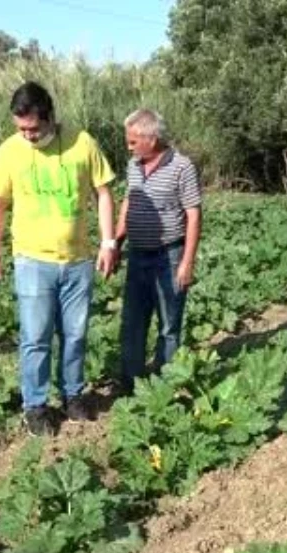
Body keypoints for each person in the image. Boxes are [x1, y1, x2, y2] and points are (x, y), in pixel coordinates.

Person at [0, 81, 118, 436]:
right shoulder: (9, 151)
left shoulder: (82, 142)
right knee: (36, 337)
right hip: (32, 261)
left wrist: (108, 243)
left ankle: (73, 395)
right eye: (21, 128)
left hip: (78, 261)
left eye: (34, 128)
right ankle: (36, 405)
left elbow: (103, 193)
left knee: (75, 334)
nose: (27, 135)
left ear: (50, 117)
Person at [115, 108, 203, 396]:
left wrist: (187, 262)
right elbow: (128, 201)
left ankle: (166, 385)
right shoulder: (133, 165)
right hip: (137, 254)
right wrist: (116, 241)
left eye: (132, 142)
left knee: (169, 324)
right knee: (132, 321)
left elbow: (193, 214)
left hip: (170, 255)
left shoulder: (182, 166)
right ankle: (131, 384)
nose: (128, 147)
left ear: (151, 139)